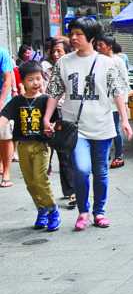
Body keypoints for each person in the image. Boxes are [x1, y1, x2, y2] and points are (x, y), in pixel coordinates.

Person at [43, 17, 132, 232]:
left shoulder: (107, 63)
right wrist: (47, 117)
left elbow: (118, 92)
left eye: (79, 34)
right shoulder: (64, 62)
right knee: (82, 169)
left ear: (91, 37)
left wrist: (124, 119)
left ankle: (99, 212)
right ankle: (83, 211)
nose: (73, 38)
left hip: (102, 125)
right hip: (75, 128)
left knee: (100, 171)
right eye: (72, 33)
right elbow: (55, 91)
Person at [0, 62, 59, 231]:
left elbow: (55, 120)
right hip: (23, 147)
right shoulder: (18, 101)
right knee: (30, 182)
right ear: (23, 82)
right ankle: (42, 209)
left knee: (40, 179)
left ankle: (53, 210)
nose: (35, 83)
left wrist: (53, 127)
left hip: (41, 146)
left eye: (38, 79)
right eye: (31, 79)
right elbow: (3, 117)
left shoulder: (46, 100)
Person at [45, 38, 76, 205]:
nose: (56, 54)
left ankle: (71, 191)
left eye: (60, 51)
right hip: (47, 114)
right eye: (54, 51)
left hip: (65, 114)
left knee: (64, 154)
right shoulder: (45, 70)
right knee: (50, 153)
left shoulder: (71, 68)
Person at [95, 36, 129, 168]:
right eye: (97, 45)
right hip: (101, 102)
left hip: (115, 103)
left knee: (114, 128)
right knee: (103, 128)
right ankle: (105, 153)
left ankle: (119, 155)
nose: (98, 48)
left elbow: (124, 82)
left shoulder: (118, 61)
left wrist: (124, 103)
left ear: (109, 46)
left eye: (101, 45)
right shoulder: (97, 60)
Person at [0, 45, 14, 188]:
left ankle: (6, 173)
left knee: (4, 137)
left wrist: (1, 103)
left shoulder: (2, 52)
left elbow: (7, 80)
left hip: (3, 101)